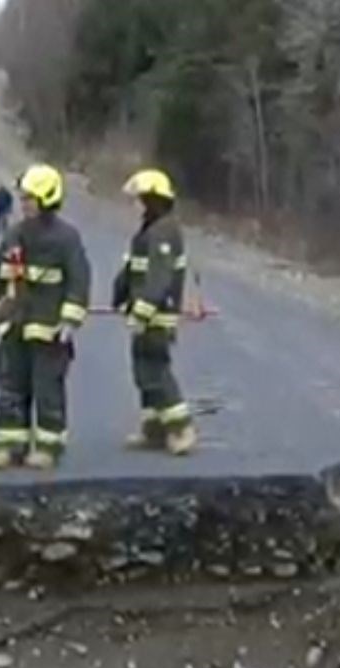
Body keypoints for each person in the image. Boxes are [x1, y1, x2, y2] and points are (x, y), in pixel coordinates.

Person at [0, 164, 91, 470]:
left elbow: (79, 280)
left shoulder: (66, 239)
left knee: (47, 388)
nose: (23, 203)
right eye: (23, 198)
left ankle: (49, 446)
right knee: (10, 385)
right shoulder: (14, 234)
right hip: (13, 325)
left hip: (49, 329)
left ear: (47, 200)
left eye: (30, 198)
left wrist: (69, 321)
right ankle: (11, 445)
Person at [112, 168, 197, 455]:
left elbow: (158, 278)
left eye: (139, 199)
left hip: (157, 315)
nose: (134, 205)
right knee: (143, 371)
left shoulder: (164, 232)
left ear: (152, 200)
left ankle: (181, 428)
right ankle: (154, 428)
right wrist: (120, 298)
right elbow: (133, 270)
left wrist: (142, 312)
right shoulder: (149, 231)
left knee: (156, 370)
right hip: (145, 313)